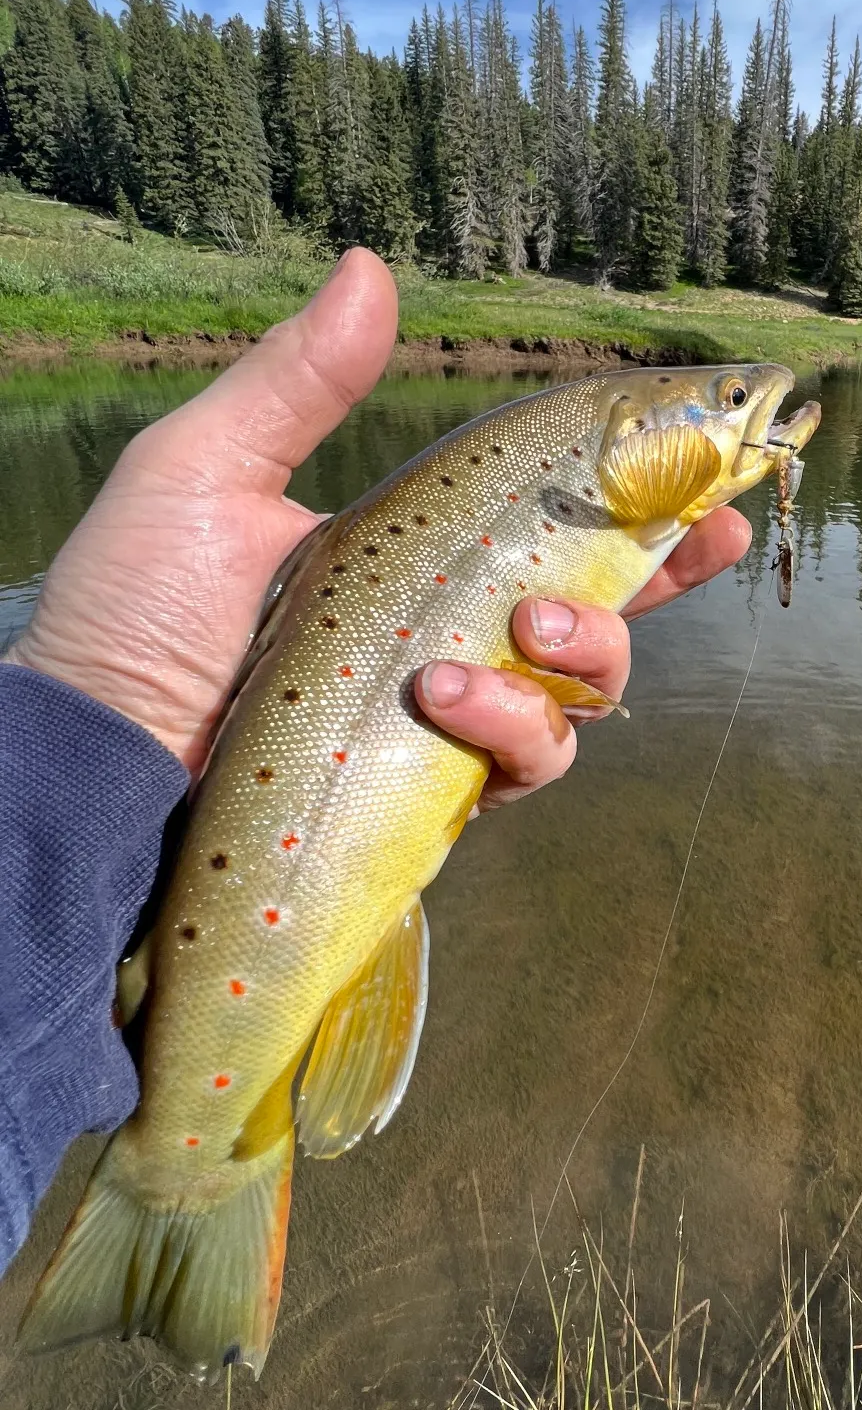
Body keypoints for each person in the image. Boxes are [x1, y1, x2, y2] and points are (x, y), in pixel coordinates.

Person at [0, 251, 750, 1270]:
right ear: (625, 442)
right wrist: (105, 706)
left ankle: (187, 1165)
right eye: (733, 399)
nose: (755, 409)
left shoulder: (641, 518)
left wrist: (75, 754)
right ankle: (183, 1173)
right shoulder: (590, 492)